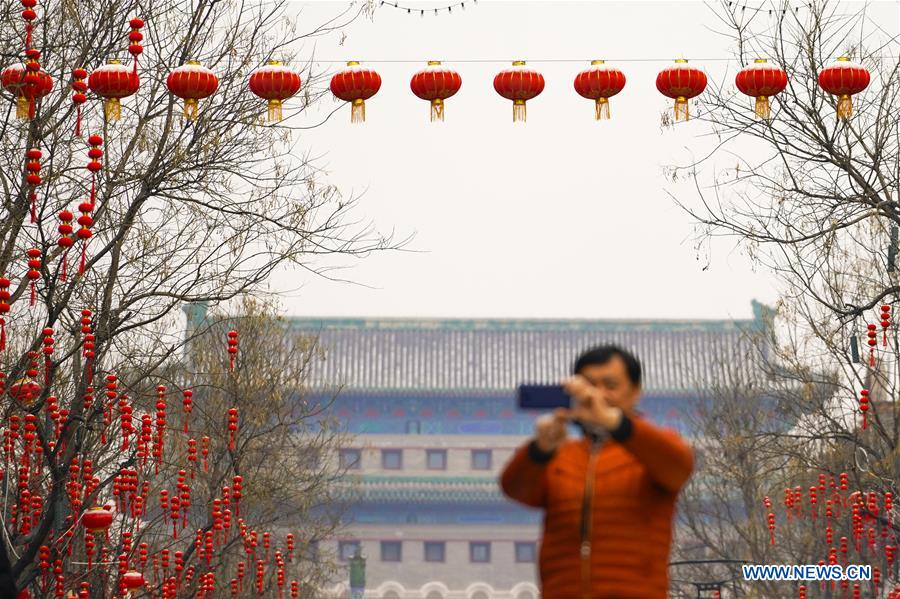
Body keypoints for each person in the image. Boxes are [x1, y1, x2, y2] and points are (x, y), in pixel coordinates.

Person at [499, 345, 694, 599]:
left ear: (636, 392)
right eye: (589, 385)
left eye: (610, 385)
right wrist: (541, 449)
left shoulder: (652, 452)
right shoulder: (562, 456)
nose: (597, 395)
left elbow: (678, 466)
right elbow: (514, 488)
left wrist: (614, 421)